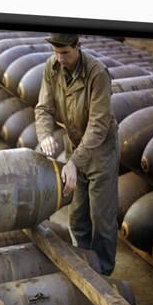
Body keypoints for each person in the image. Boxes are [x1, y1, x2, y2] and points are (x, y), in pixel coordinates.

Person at [35, 33, 119, 276]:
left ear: (78, 47)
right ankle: (86, 265)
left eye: (65, 53)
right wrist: (45, 136)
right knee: (77, 216)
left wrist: (72, 162)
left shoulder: (97, 73)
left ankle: (103, 273)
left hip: (101, 151)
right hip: (75, 146)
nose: (59, 58)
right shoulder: (52, 67)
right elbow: (43, 108)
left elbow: (98, 125)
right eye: (56, 52)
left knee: (101, 219)